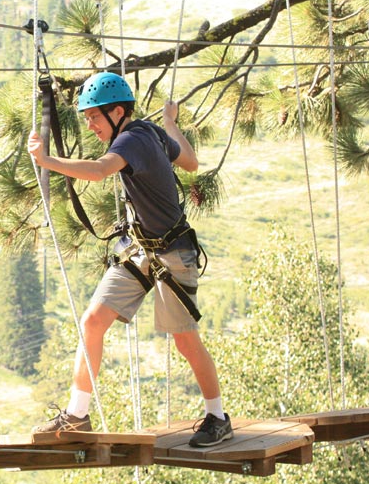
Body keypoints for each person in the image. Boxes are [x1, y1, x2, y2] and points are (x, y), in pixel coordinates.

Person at [26, 71, 232, 448]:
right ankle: (76, 416)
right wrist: (170, 124)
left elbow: (101, 170)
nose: (89, 126)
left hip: (171, 253)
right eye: (86, 118)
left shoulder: (133, 140)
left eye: (93, 117)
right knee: (93, 322)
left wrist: (47, 160)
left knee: (185, 341)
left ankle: (218, 417)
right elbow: (189, 160)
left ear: (117, 112)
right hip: (142, 249)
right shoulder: (150, 133)